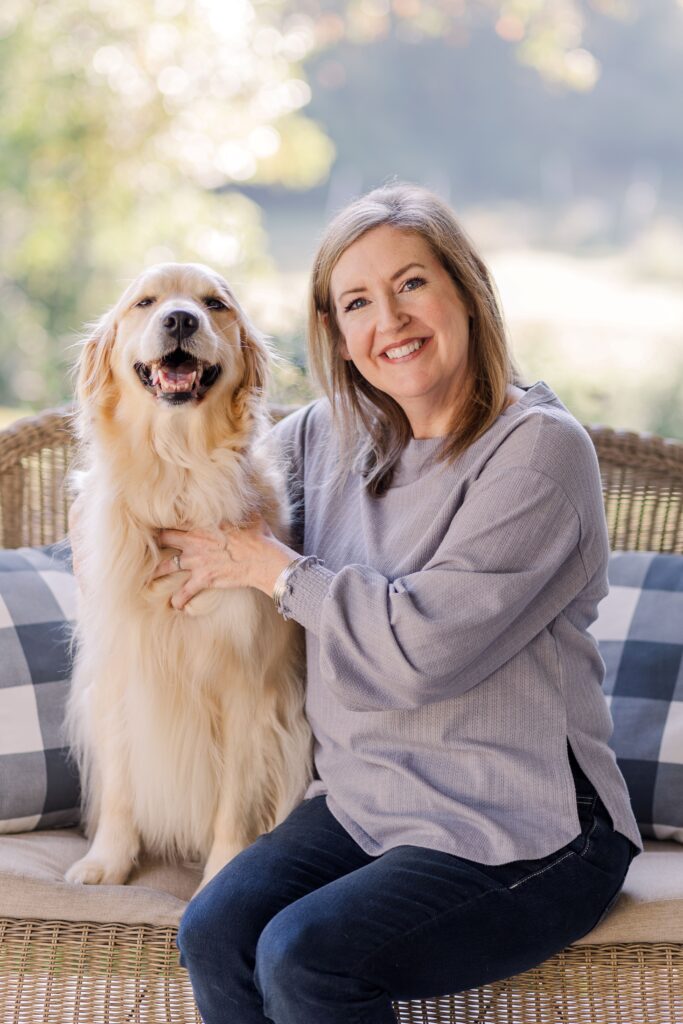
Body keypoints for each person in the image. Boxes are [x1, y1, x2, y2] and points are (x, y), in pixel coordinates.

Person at [153, 184, 641, 1024]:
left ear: (466, 291)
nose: (390, 320)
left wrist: (279, 571)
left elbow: (420, 653)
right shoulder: (324, 437)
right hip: (368, 803)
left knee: (305, 957)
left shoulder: (537, 453)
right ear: (337, 336)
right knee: (214, 932)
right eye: (357, 303)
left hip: (532, 827)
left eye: (412, 283)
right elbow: (209, 495)